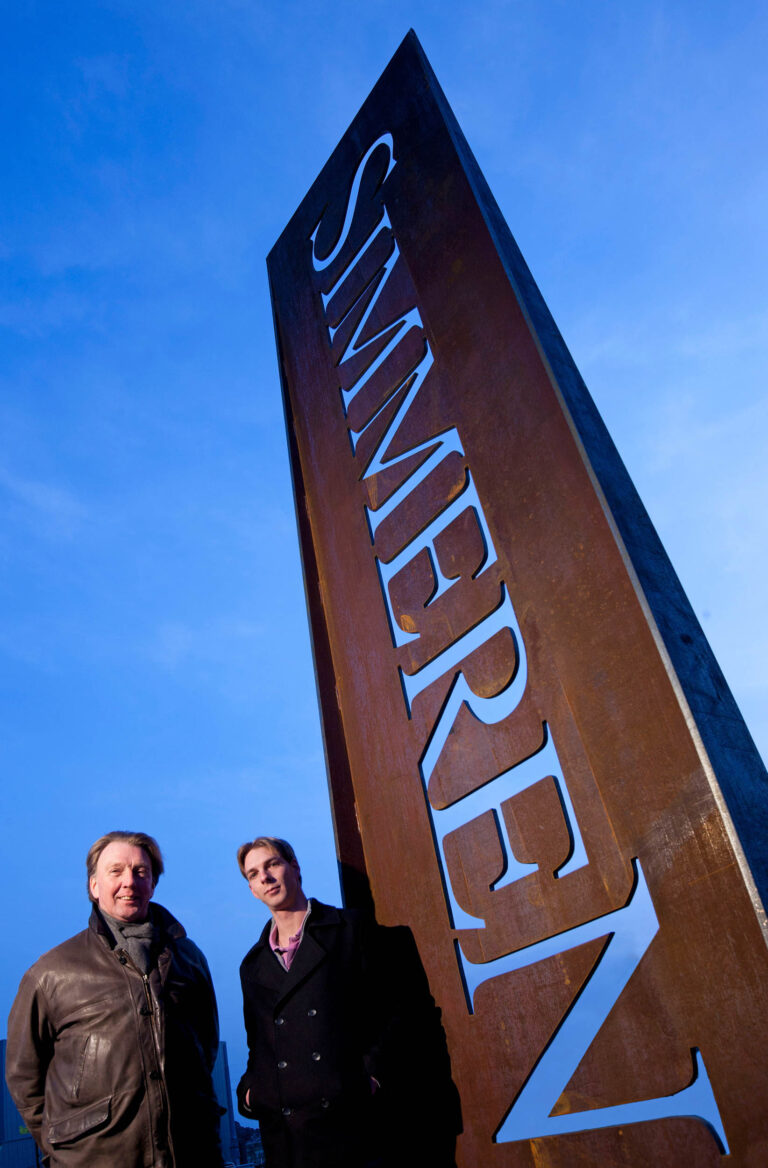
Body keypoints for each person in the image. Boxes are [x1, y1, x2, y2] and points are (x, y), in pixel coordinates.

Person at [5, 830, 224, 1168]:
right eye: (116, 871)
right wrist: (60, 1146)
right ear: (93, 886)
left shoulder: (190, 958)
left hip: (189, 1153)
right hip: (95, 1158)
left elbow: (205, 1047)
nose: (130, 881)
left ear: (152, 883)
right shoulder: (51, 972)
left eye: (141, 872)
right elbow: (24, 1074)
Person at [235, 836, 389, 1168]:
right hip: (287, 1138)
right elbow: (258, 1043)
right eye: (253, 874)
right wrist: (251, 1093)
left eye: (272, 864)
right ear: (251, 890)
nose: (265, 876)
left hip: (351, 1127)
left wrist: (372, 1078)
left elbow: (392, 1012)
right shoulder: (252, 965)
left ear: (294, 867)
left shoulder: (350, 929)